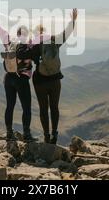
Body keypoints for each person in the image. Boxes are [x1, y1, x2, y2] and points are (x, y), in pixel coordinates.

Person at [0, 17, 37, 142]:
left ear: (17, 33)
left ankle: (9, 133)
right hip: (22, 79)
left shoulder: (9, 41)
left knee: (10, 106)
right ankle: (27, 135)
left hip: (8, 78)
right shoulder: (29, 43)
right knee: (26, 108)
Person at [29, 8, 78, 144]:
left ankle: (46, 135)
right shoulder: (54, 41)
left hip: (39, 81)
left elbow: (23, 55)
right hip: (55, 80)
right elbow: (66, 33)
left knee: (43, 109)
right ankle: (54, 135)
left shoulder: (34, 44)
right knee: (54, 108)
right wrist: (73, 20)